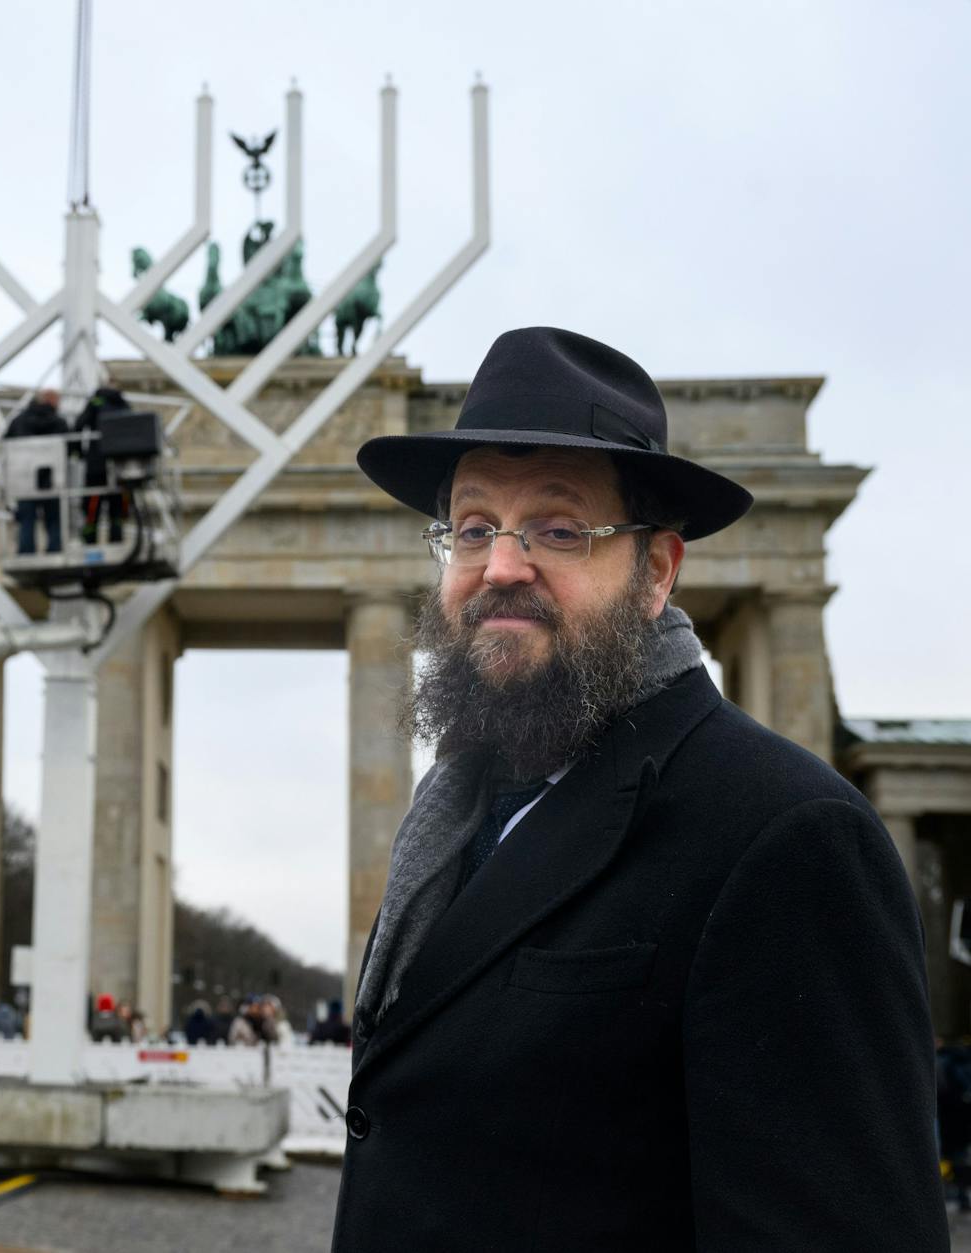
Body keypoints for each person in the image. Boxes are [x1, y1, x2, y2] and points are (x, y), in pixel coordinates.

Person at [332, 326, 943, 1250]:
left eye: (559, 528)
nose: (502, 564)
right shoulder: (454, 819)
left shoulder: (789, 837)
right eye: (472, 528)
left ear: (656, 572)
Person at [3, 388, 68, 554]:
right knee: (53, 519)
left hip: (24, 477)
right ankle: (54, 549)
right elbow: (70, 447)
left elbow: (7, 444)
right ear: (52, 401)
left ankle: (26, 551)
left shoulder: (19, 421)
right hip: (52, 477)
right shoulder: (58, 422)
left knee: (26, 519)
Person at [73, 386, 130, 544]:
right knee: (118, 505)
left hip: (96, 464)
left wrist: (79, 452)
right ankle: (117, 538)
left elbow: (79, 425)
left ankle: (90, 541)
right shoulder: (123, 404)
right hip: (120, 464)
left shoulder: (95, 403)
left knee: (92, 503)